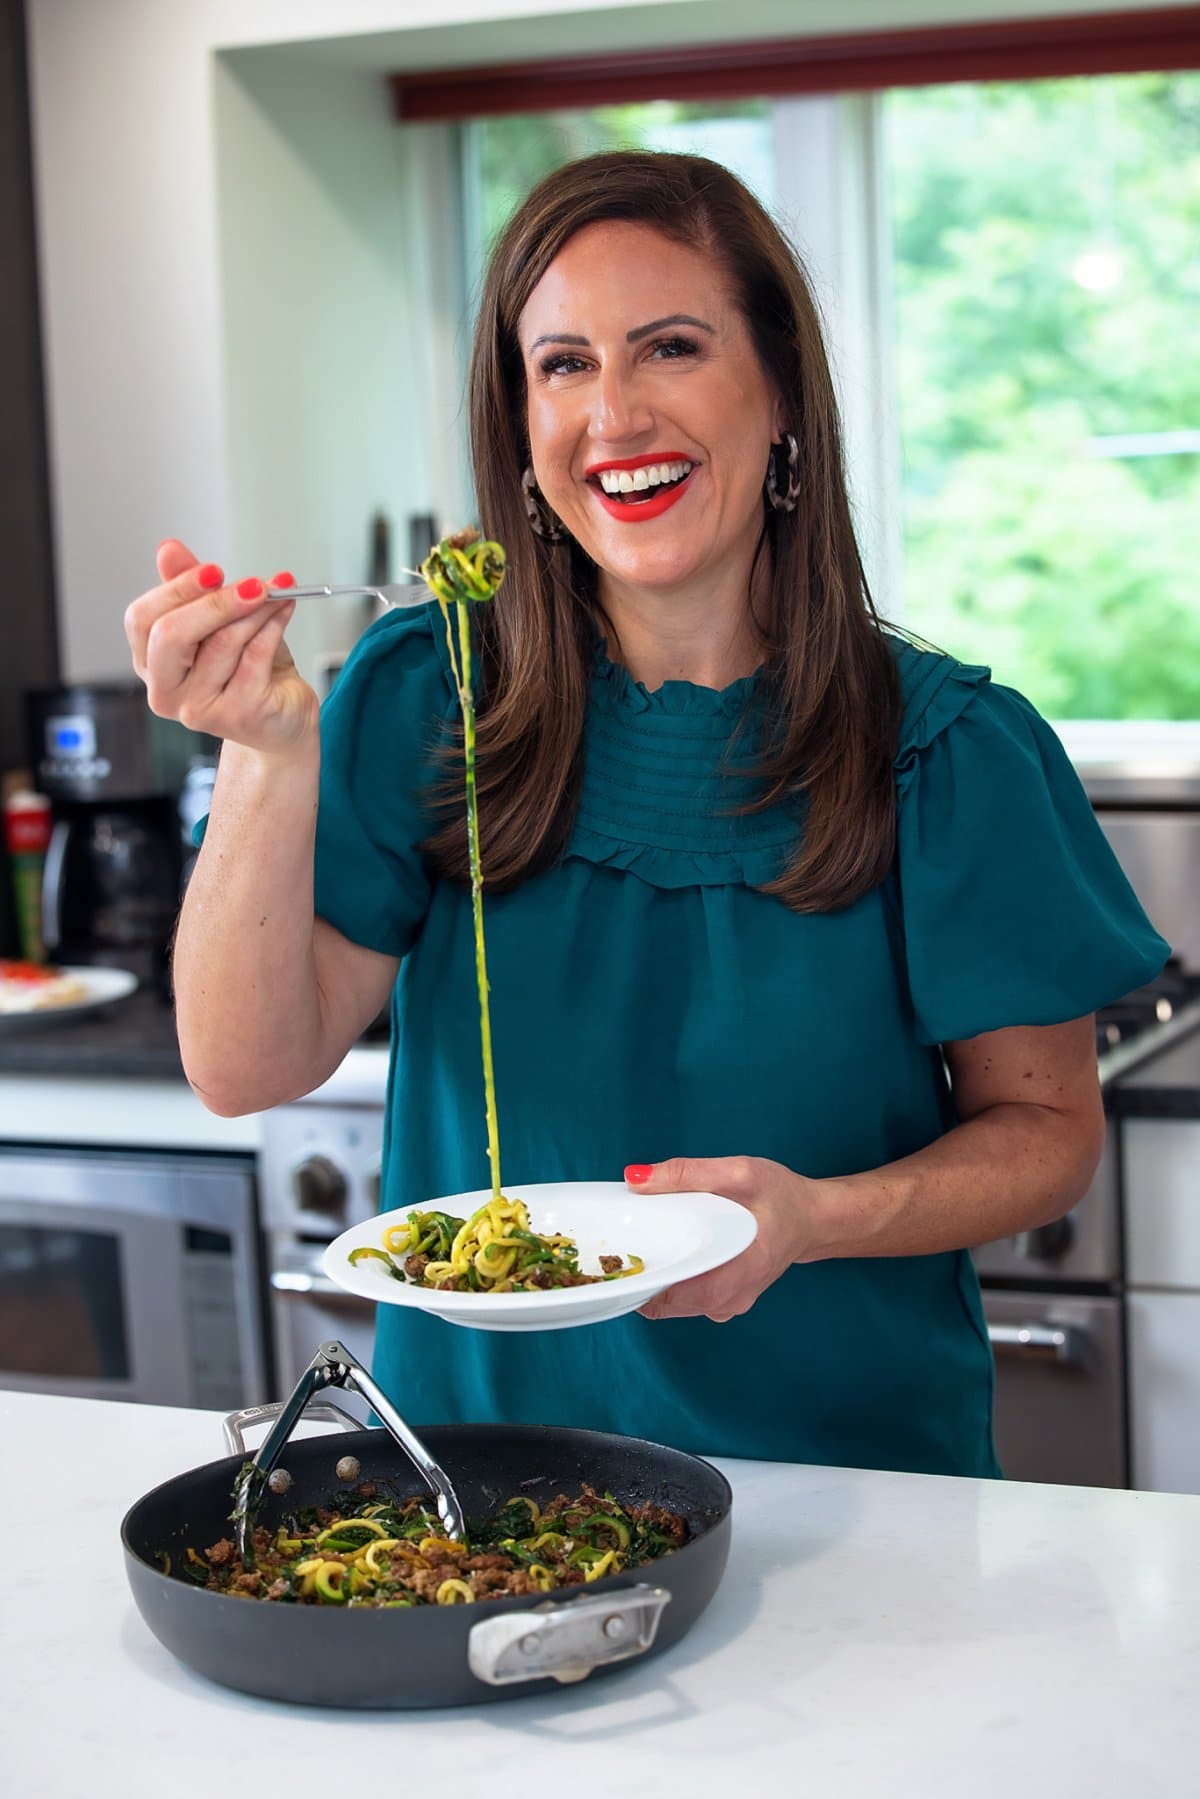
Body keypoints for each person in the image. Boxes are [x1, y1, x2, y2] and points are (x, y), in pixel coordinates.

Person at [126, 151, 1168, 1477]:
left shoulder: (950, 746)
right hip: (484, 1483)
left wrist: (814, 1217)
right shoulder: (426, 691)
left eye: (670, 347)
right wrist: (268, 753)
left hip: (853, 1494)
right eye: (561, 365)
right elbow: (241, 1066)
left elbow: (1047, 1133)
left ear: (782, 391)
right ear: (522, 419)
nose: (612, 414)